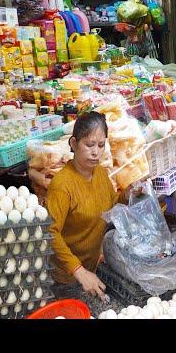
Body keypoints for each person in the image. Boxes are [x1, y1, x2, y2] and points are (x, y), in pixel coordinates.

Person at [47, 112, 125, 299]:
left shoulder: (100, 173)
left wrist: (128, 196)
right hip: (65, 276)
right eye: (89, 145)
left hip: (91, 266)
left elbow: (109, 207)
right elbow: (49, 232)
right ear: (74, 144)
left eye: (100, 145)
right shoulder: (62, 185)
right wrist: (79, 271)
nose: (95, 152)